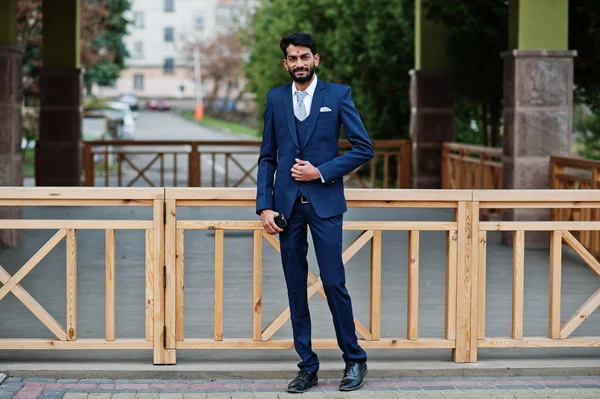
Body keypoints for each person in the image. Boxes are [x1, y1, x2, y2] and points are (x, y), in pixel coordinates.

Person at [255, 32, 374, 393]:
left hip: (325, 206)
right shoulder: (276, 99)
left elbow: (363, 148)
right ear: (285, 63)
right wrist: (264, 205)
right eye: (292, 58)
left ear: (316, 59)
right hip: (286, 209)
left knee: (334, 283)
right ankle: (307, 366)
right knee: (295, 288)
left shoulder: (337, 95)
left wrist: (320, 171)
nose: (299, 63)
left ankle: (355, 360)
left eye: (304, 57)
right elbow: (267, 157)